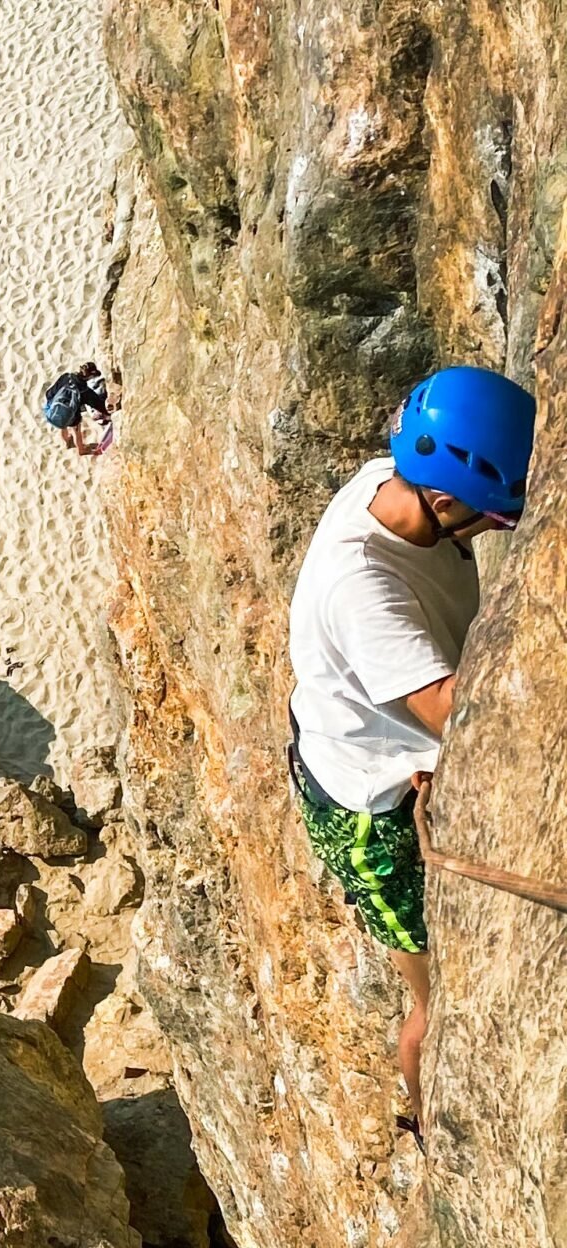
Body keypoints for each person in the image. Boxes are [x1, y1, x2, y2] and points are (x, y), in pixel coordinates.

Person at [286, 365, 535, 1142]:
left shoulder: (393, 482)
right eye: (495, 519)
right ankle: (425, 1114)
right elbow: (451, 708)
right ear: (445, 500)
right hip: (367, 807)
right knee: (435, 1001)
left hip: (359, 740)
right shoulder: (364, 587)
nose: (499, 530)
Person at [42, 362, 112, 456]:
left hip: (52, 413)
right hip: (69, 415)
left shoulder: (66, 377)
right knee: (76, 428)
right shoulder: (83, 391)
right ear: (89, 376)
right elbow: (98, 404)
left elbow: (49, 393)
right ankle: (81, 450)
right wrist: (108, 412)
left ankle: (67, 441)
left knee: (62, 419)